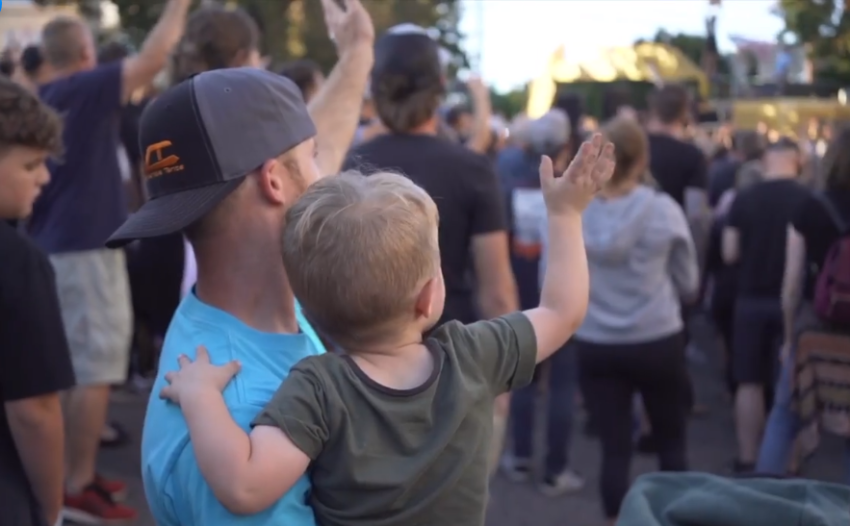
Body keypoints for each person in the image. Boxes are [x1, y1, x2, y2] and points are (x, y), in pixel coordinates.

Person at [156, 134, 614, 524]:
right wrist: (565, 215)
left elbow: (243, 486)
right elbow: (562, 311)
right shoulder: (474, 356)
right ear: (428, 296)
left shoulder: (319, 389)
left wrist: (201, 397)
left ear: (307, 302)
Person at [106, 1, 375, 525]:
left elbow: (307, 157)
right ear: (274, 181)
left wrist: (358, 54)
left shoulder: (228, 329)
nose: (329, 177)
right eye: (315, 158)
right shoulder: (246, 425)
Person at [31, 3, 192, 522]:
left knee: (82, 364)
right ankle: (76, 483)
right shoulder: (82, 89)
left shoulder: (52, 95)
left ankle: (78, 475)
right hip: (83, 250)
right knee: (95, 366)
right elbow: (152, 58)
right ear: (84, 52)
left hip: (66, 247)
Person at [574, 116, 699, 523]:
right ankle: (676, 517)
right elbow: (689, 282)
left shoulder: (575, 213)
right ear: (642, 158)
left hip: (596, 341)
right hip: (657, 336)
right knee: (671, 441)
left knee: (614, 450)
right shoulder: (664, 211)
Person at [0, 77, 73, 526]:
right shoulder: (17, 262)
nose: (44, 178)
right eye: (31, 165)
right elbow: (36, 410)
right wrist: (50, 509)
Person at [757, 128, 850, 480]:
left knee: (784, 415)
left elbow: (792, 284)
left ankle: (765, 497)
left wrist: (787, 337)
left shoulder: (810, 206)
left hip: (815, 328)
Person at [500, 109, 585, 494]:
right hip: (563, 295)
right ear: (566, 144)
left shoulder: (510, 183)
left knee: (525, 379)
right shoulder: (579, 189)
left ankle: (520, 456)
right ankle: (556, 469)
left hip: (522, 296)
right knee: (563, 383)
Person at [721, 138, 810, 473]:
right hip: (795, 302)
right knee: (794, 384)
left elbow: (730, 253)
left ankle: (748, 456)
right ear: (796, 161)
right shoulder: (808, 200)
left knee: (749, 380)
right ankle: (791, 459)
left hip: (750, 297)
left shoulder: (744, 198)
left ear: (766, 161)